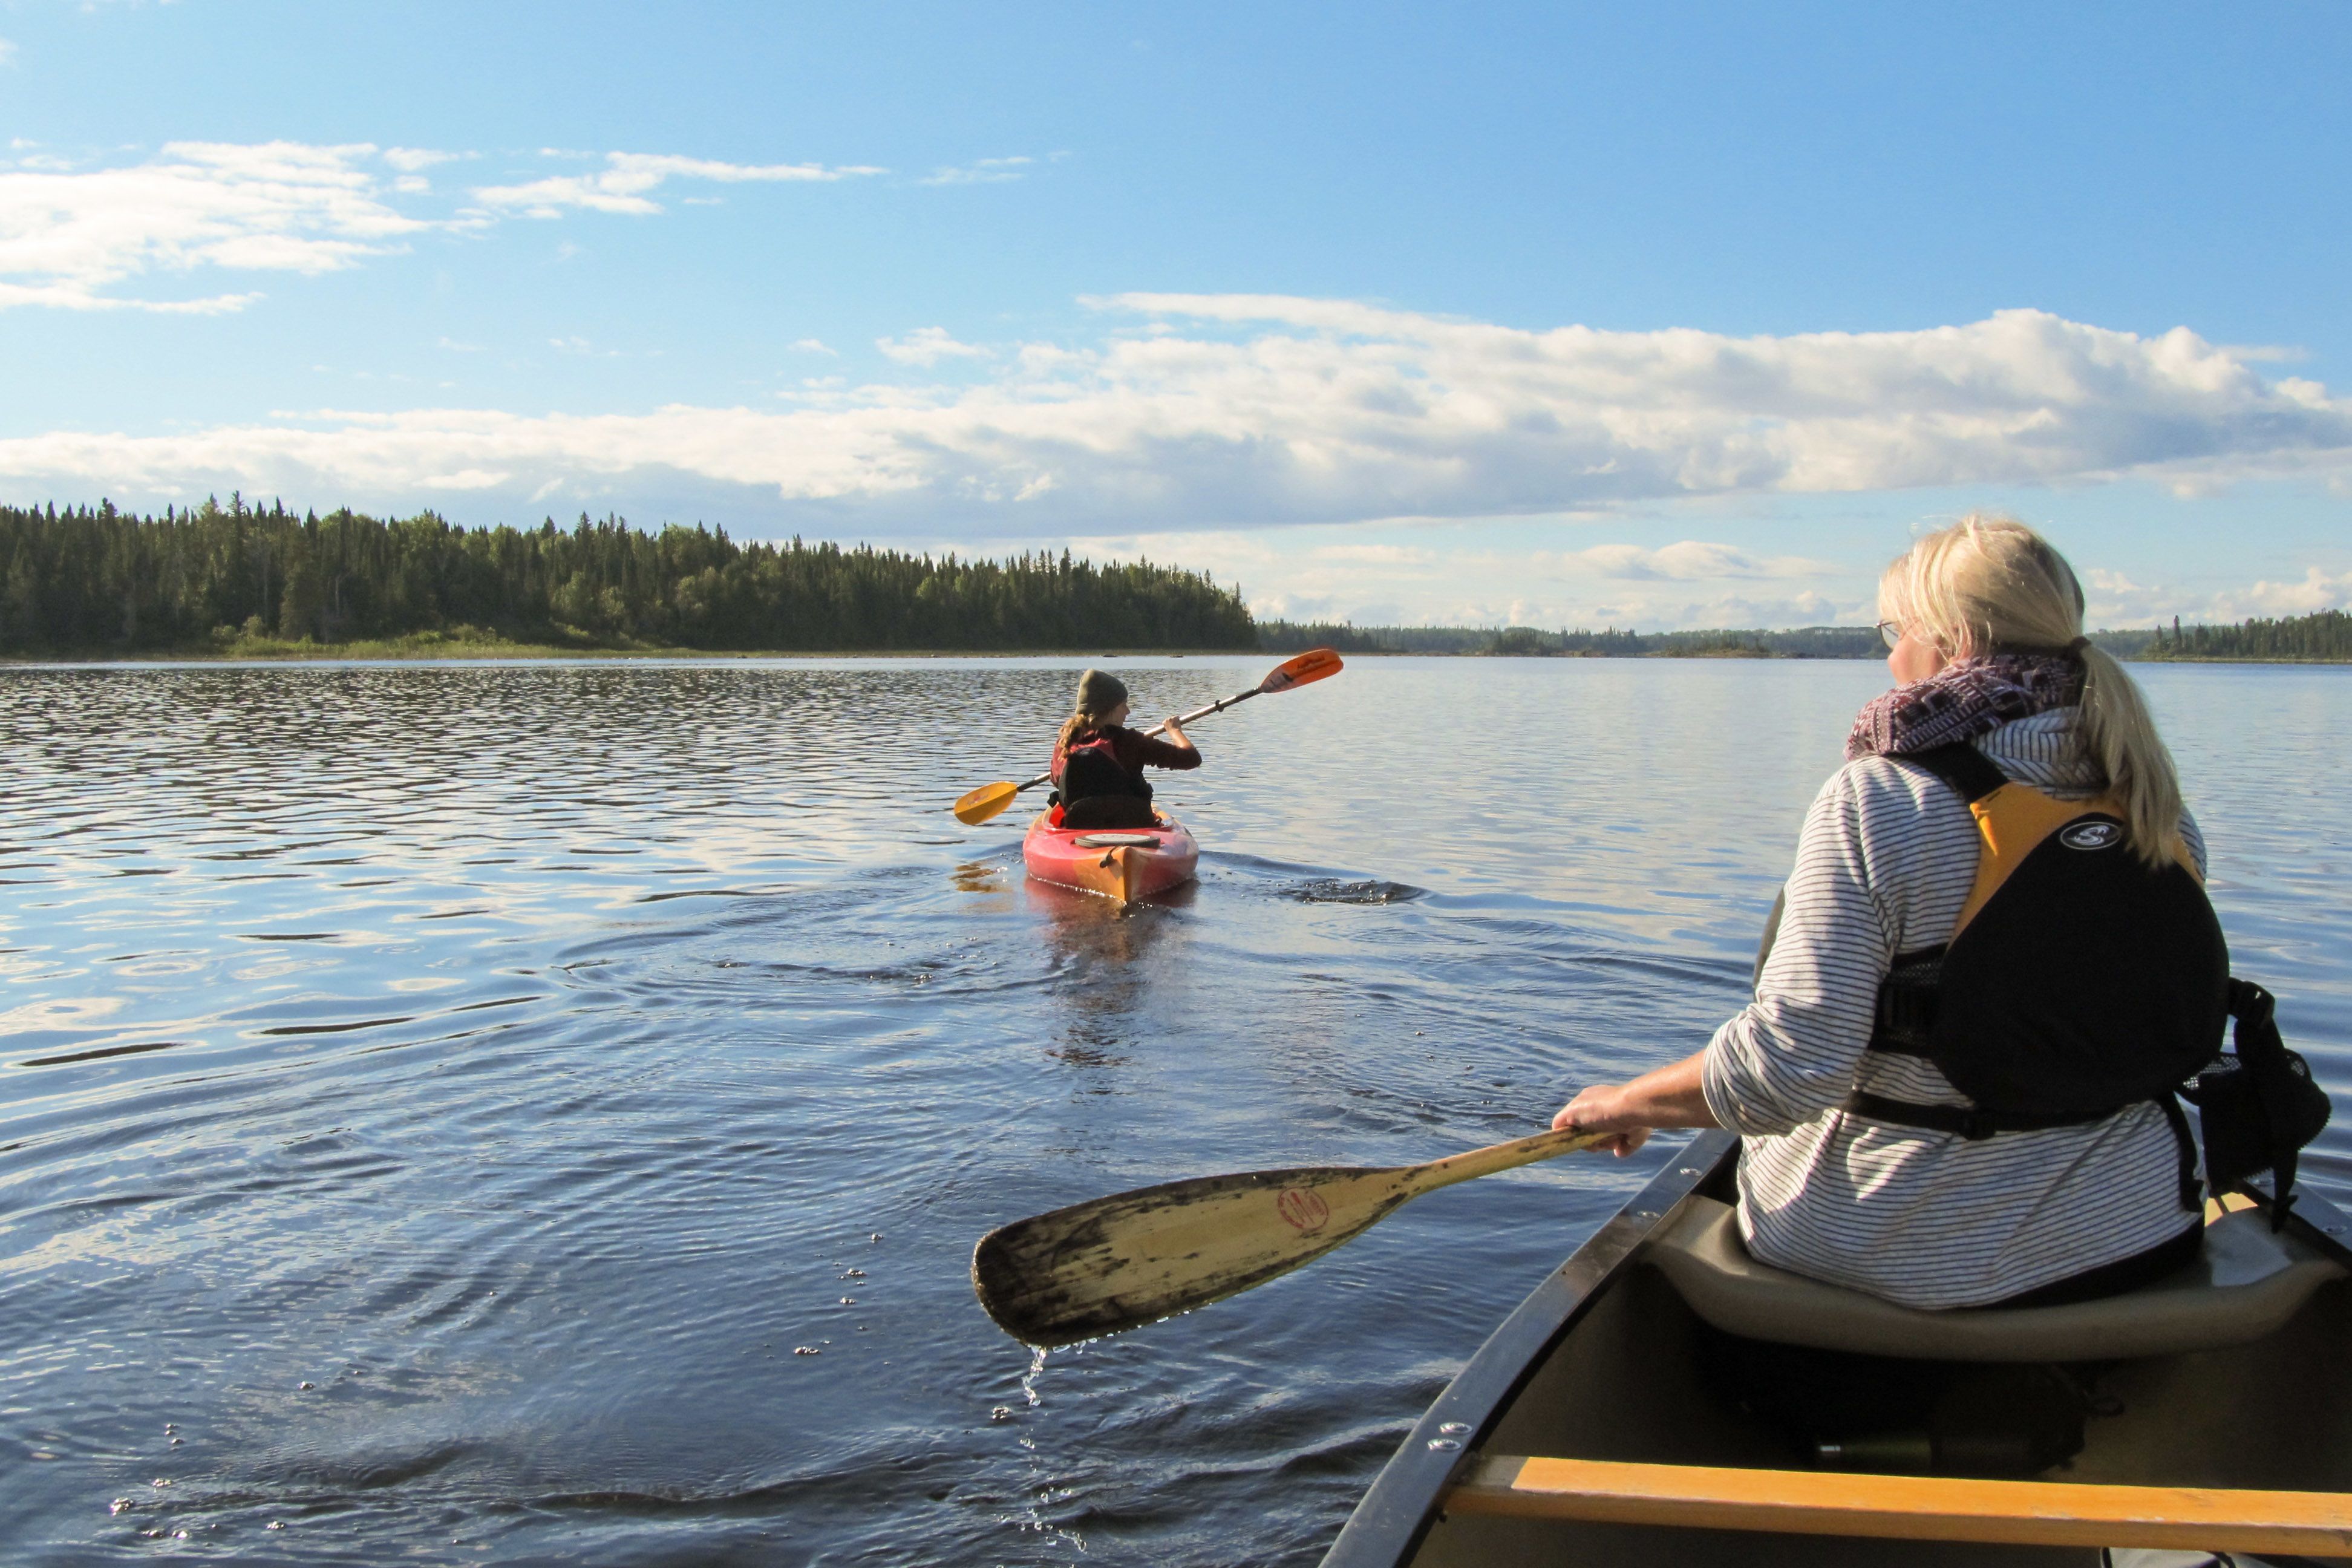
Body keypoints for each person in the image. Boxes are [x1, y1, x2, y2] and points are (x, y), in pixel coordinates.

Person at [1553, 515, 2218, 1312]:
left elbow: (1788, 1074)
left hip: (1895, 1250)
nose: (1891, 653)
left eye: (1893, 629)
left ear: (1949, 638)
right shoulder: (2154, 807)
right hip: (2135, 1233)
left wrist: (1625, 1103)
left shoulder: (1880, 798)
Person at [1050, 669, 1201, 830]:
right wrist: (1174, 730)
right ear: (1110, 709)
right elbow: (1191, 758)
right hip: (1134, 824)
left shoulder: (1065, 743)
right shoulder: (1129, 741)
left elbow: (1056, 781)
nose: (1127, 711)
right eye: (1123, 705)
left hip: (1080, 827)